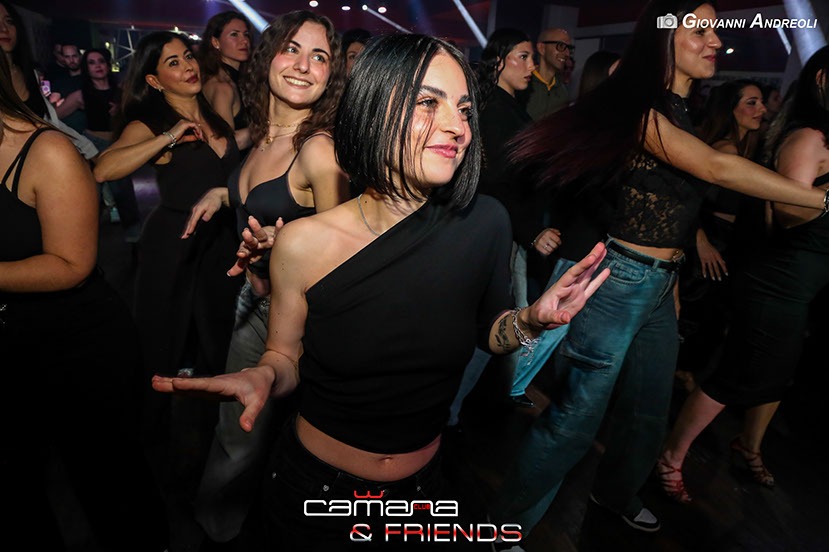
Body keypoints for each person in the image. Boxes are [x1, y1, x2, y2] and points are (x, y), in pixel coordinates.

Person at [153, 32, 611, 550]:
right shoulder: (304, 243)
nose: (457, 126)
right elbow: (284, 356)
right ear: (373, 109)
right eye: (428, 103)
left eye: (464, 109)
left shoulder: (486, 223)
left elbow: (489, 332)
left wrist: (529, 321)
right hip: (316, 491)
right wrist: (263, 374)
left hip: (425, 489)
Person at [488, 1, 829, 546]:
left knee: (647, 414)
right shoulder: (641, 109)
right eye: (700, 29)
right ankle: (505, 528)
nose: (715, 40)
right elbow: (717, 168)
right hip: (619, 280)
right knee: (575, 420)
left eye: (715, 30)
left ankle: (615, 493)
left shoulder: (682, 110)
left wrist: (672, 279)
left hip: (659, 283)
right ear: (664, 38)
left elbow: (681, 205)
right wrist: (820, 199)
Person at [188, 10, 349, 545]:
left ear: (330, 76)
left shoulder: (319, 149)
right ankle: (218, 529)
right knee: (236, 436)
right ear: (269, 57)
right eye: (292, 49)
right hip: (250, 303)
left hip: (296, 321)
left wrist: (288, 249)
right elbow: (262, 194)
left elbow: (344, 258)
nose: (304, 65)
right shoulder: (261, 135)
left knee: (273, 444)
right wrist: (224, 193)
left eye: (319, 56)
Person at [0, 50, 167, 551]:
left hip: (76, 345)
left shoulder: (47, 151)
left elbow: (72, 264)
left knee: (109, 484)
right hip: (13, 341)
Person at [93, 30, 248, 548]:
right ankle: (149, 459)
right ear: (155, 80)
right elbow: (103, 167)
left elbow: (235, 153)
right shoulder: (152, 120)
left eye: (187, 57)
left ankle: (209, 451)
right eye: (173, 63)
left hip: (219, 244)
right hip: (174, 243)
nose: (187, 67)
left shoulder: (213, 110)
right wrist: (167, 137)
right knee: (159, 345)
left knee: (219, 344)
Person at [659, 45, 829, 503]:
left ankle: (748, 446)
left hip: (803, 284)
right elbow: (789, 211)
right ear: (822, 80)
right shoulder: (810, 138)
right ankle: (671, 456)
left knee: (778, 373)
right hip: (778, 280)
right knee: (737, 372)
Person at [448, 28, 543, 423]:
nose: (532, 66)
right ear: (500, 60)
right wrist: (530, 231)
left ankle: (451, 408)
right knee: (499, 324)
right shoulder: (494, 111)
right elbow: (496, 184)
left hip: (500, 232)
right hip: (496, 233)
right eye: (523, 56)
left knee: (494, 323)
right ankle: (448, 410)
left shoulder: (507, 106)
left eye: (532, 58)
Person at [674, 79, 768, 390]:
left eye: (761, 102)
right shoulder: (724, 149)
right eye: (751, 103)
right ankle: (673, 372)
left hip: (729, 241)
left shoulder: (747, 147)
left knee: (711, 316)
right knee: (695, 312)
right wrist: (701, 240)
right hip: (710, 237)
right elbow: (688, 200)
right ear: (731, 108)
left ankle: (682, 372)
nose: (761, 109)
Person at [0, 0, 97, 159]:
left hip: (43, 157)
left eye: (9, 21)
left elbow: (50, 122)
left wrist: (89, 149)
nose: (4, 28)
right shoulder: (57, 78)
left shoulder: (30, 74)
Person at [198, 11, 252, 131]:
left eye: (246, 34)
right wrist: (264, 129)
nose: (244, 41)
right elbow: (226, 141)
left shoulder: (238, 77)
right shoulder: (222, 86)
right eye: (234, 34)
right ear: (215, 42)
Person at [520, 27, 572, 120]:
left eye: (569, 48)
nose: (567, 53)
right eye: (561, 46)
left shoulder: (562, 92)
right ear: (542, 48)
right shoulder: (523, 85)